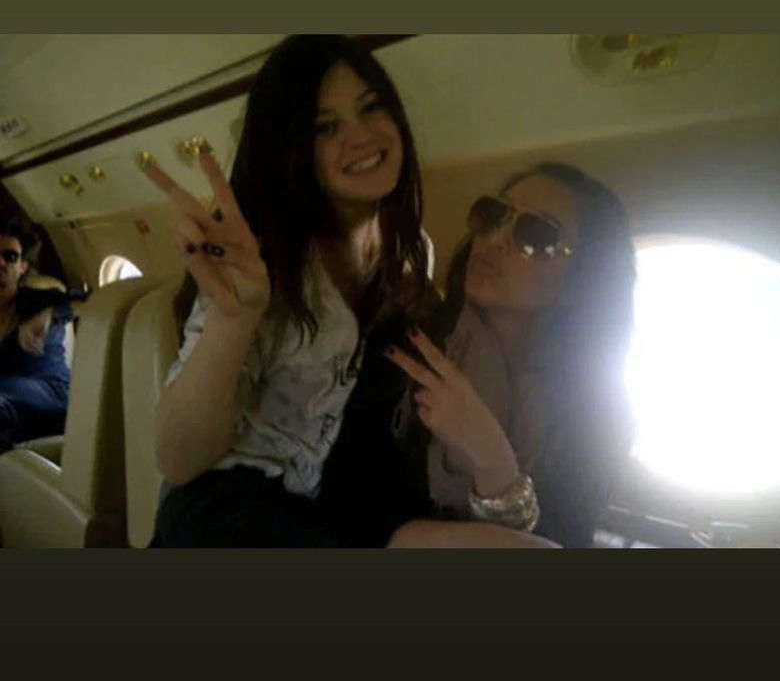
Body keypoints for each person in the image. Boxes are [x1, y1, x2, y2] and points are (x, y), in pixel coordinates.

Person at [147, 36, 432, 547]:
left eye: (371, 107)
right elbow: (177, 460)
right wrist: (233, 321)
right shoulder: (262, 259)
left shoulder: (412, 252)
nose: (361, 137)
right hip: (229, 502)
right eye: (325, 127)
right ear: (291, 149)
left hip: (337, 496)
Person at [385, 162, 636, 549]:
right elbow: (354, 507)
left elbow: (565, 541)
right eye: (495, 214)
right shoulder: (414, 342)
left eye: (536, 234)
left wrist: (491, 456)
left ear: (579, 282)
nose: (497, 238)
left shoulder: (601, 411)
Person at [0, 223, 72, 453]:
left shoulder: (40, 300)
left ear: (23, 267)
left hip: (53, 396)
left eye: (10, 256)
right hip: (11, 407)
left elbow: (92, 301)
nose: (1, 263)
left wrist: (49, 314)